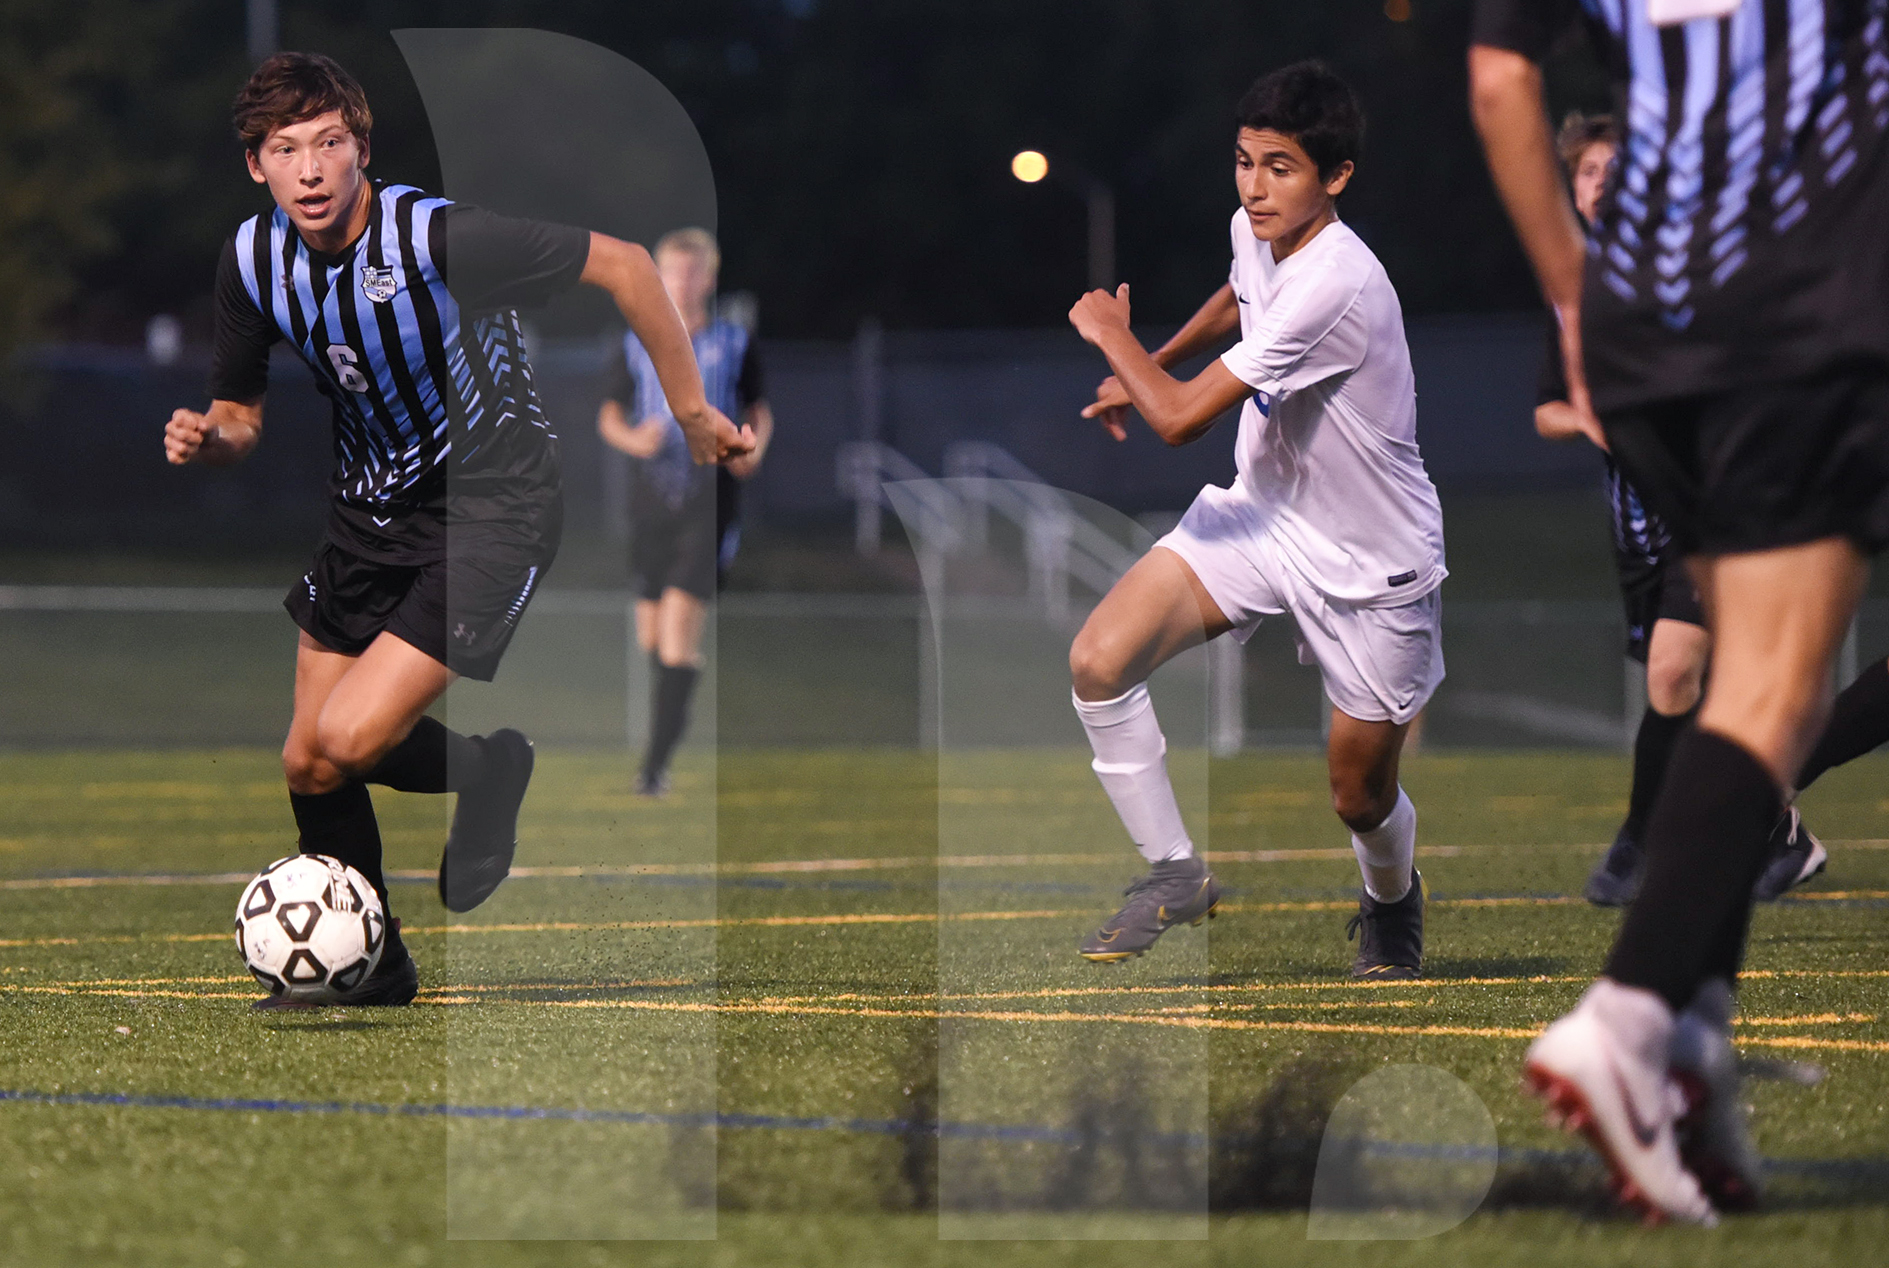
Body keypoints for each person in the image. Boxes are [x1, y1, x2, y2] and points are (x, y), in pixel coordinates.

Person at [164, 53, 748, 1009]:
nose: (309, 169)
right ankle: (376, 965)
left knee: (350, 737)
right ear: (255, 166)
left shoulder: (432, 237)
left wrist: (688, 413)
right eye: (285, 150)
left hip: (492, 504)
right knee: (307, 757)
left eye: (328, 144)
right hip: (368, 510)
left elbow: (628, 267)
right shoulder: (253, 260)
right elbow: (239, 413)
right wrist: (209, 437)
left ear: (361, 150)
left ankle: (491, 770)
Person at [1472, 0, 1889, 1224]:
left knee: (1749, 677)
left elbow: (1500, 86)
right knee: (1774, 680)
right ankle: (1629, 1015)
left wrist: (1569, 300)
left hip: (1642, 319)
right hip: (1793, 309)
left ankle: (1695, 1033)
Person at [1066, 62, 1446, 980]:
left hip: (1370, 563)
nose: (1254, 185)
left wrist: (1112, 336)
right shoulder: (1257, 229)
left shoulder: (1340, 284)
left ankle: (1392, 901)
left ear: (1337, 176)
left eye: (1281, 167)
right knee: (1096, 663)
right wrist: (1153, 361)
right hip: (1262, 516)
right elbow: (1242, 292)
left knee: (1357, 797)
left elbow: (1180, 422)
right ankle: (1173, 873)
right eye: (1244, 161)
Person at [1535, 113, 1829, 907]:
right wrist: (1588, 417)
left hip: (1709, 506)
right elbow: (1545, 407)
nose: (1599, 185)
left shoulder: (1680, 268)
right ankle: (1774, 834)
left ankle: (1638, 844)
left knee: (1673, 675)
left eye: (1615, 170)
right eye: (1587, 172)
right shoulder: (1576, 290)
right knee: (1693, 689)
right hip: (1636, 523)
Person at [597, 228, 773, 796]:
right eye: (675, 270)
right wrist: (633, 439)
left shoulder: (734, 342)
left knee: (676, 636)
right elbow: (609, 415)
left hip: (707, 500)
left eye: (695, 271)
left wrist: (752, 448)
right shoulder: (636, 341)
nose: (684, 280)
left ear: (710, 278)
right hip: (650, 503)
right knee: (654, 640)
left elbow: (759, 409)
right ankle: (676, 703)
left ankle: (654, 768)